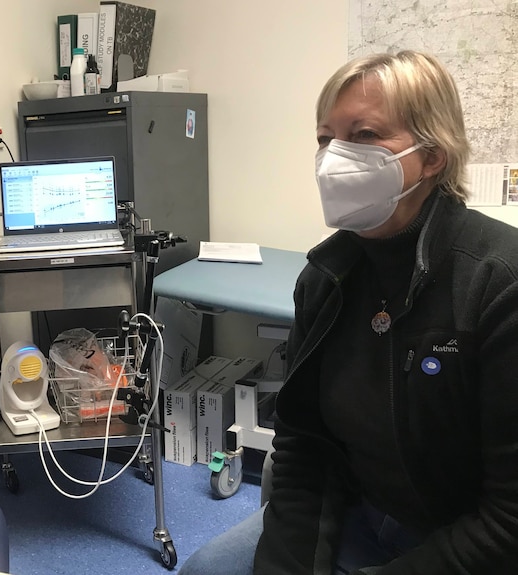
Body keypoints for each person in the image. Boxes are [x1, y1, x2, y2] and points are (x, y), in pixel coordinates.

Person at [180, 50, 518, 574]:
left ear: (433, 156)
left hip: (466, 543)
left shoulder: (497, 285)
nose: (335, 158)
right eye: (325, 139)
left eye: (363, 136)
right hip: (362, 513)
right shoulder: (325, 279)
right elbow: (304, 447)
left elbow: (508, 523)